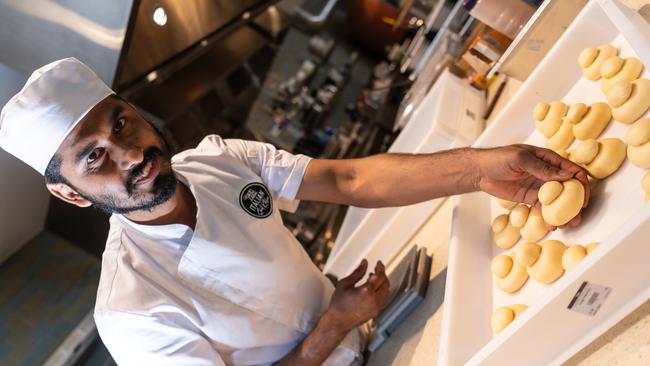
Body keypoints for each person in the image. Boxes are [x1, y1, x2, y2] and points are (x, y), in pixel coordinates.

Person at [0, 58, 589, 366]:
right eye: (94, 157)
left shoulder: (219, 159)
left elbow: (349, 177)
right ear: (71, 193)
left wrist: (477, 167)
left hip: (372, 339)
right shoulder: (130, 310)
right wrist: (333, 322)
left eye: (121, 122)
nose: (130, 154)